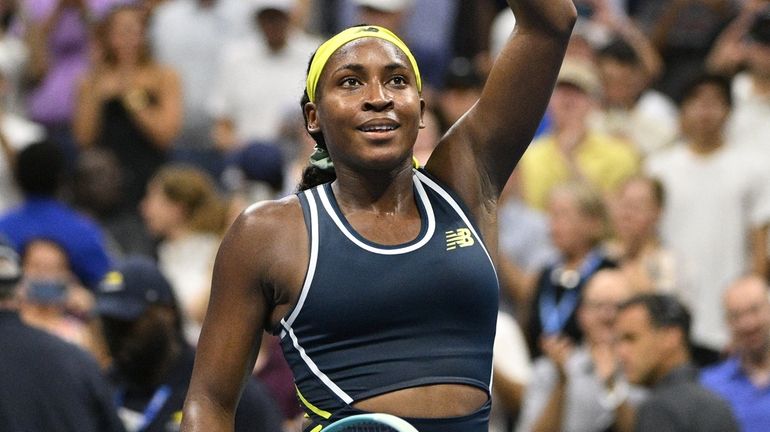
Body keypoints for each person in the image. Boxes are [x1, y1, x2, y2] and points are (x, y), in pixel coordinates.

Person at [181, 1, 578, 431]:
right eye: (351, 82)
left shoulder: (465, 184)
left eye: (397, 81)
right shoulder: (267, 234)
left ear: (422, 110)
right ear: (313, 117)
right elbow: (209, 403)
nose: (378, 98)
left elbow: (551, 22)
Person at [644, 72, 770, 355]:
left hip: (730, 315)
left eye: (714, 103)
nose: (705, 111)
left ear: (728, 111)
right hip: (674, 311)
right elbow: (649, 243)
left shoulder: (755, 168)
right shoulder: (659, 169)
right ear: (683, 110)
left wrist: (749, 314)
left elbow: (760, 246)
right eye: (696, 102)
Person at [95, 255, 283, 432]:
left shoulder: (222, 388)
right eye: (109, 324)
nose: (118, 335)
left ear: (168, 312)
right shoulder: (98, 388)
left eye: (129, 323)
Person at [0, 235, 126, 432]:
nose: (44, 277)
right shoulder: (16, 327)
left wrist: (92, 314)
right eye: (37, 267)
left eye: (53, 269)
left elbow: (100, 376)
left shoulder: (80, 331)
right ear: (21, 274)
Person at [74, 4, 183, 214]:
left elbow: (165, 135)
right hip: (104, 179)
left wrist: (130, 94)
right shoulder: (90, 82)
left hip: (149, 172)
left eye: (134, 30)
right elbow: (84, 138)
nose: (127, 39)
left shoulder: (164, 76)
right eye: (120, 32)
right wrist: (96, 84)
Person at [516, 270, 642, 432]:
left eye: (618, 307)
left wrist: (613, 388)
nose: (607, 315)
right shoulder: (552, 369)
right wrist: (561, 382)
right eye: (598, 306)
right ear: (582, 313)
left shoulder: (645, 371)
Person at [615, 293, 739, 432]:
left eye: (631, 339)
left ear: (671, 337)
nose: (621, 352)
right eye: (618, 341)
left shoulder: (659, 409)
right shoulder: (717, 402)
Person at [0, 140, 112, 289]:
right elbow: (108, 283)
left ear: (17, 179)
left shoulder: (3, 229)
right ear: (62, 178)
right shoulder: (84, 231)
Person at [140, 164, 226, 344]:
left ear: (177, 207)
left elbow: (197, 311)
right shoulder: (166, 252)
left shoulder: (214, 250)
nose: (144, 208)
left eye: (153, 199)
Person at [701, 274, 770, 432]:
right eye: (736, 316)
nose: (748, 324)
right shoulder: (708, 386)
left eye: (755, 310)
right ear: (726, 322)